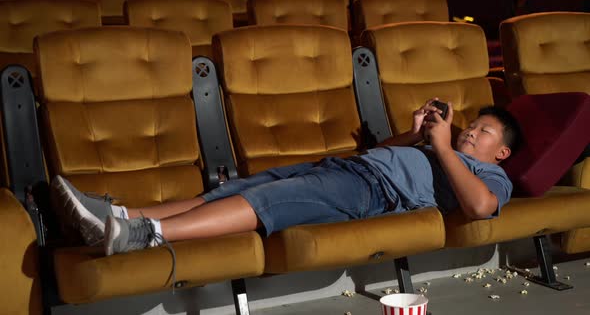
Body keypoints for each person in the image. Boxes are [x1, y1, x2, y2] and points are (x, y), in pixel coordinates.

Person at [52, 98, 522, 256]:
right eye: (471, 125)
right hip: (350, 167)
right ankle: (116, 214)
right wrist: (416, 134)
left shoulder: (490, 178)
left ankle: (146, 235)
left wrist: (442, 147)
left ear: (499, 152)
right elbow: (378, 153)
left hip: (371, 192)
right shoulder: (433, 147)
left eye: (483, 132)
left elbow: (479, 208)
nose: (471, 133)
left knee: (272, 201)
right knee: (234, 189)